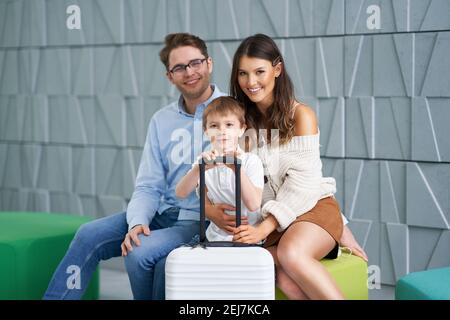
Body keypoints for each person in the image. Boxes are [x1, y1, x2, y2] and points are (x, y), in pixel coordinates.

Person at [43, 33, 231, 300]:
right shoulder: (161, 120)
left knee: (141, 253)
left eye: (195, 63)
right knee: (88, 234)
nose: (189, 72)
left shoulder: (232, 113)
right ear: (170, 76)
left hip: (197, 219)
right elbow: (148, 185)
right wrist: (137, 222)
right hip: (160, 212)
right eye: (179, 67)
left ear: (209, 63)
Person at [229, 34, 369, 299]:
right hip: (276, 226)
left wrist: (265, 227)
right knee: (279, 275)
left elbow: (304, 186)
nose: (251, 82)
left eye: (260, 72)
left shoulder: (300, 116)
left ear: (277, 69)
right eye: (243, 74)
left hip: (311, 210)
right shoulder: (240, 122)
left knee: (290, 254)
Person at [175, 96, 264, 242]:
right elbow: (180, 192)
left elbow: (254, 205)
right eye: (214, 126)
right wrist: (199, 169)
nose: (222, 131)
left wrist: (237, 169)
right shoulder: (203, 161)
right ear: (206, 131)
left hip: (247, 238)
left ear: (242, 129)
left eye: (229, 125)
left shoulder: (251, 161)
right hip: (214, 238)